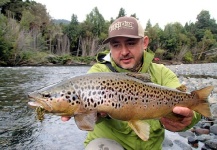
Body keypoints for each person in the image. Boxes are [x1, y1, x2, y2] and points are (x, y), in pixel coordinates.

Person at [61, 16, 201, 150]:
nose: (124, 52)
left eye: (131, 43)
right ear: (110, 47)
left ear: (144, 42)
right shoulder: (98, 72)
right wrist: (90, 115)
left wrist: (189, 118)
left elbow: (186, 101)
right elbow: (86, 115)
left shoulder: (162, 73)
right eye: (116, 45)